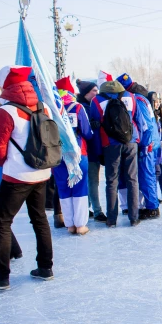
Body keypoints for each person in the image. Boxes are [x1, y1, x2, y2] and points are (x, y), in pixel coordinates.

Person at [0, 66, 56, 289]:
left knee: (0, 221)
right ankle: (46, 267)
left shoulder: (4, 112)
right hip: (42, 172)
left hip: (17, 176)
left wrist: (5, 163)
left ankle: (0, 276)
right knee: (39, 219)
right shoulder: (44, 107)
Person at [90, 79, 141, 227]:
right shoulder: (131, 97)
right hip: (130, 141)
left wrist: (99, 152)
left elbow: (96, 126)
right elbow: (136, 119)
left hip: (110, 144)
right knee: (132, 179)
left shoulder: (97, 101)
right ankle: (134, 217)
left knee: (112, 181)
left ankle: (112, 219)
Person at [116, 73, 160, 220]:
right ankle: (151, 205)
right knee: (148, 175)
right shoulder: (142, 98)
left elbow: (145, 125)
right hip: (150, 141)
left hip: (147, 143)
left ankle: (152, 207)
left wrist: (146, 143)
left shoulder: (138, 100)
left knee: (146, 175)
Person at [53, 77, 92, 235]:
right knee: (80, 187)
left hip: (58, 155)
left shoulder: (51, 108)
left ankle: (69, 225)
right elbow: (87, 132)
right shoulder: (77, 108)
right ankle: (80, 225)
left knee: (63, 188)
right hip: (78, 153)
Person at [0, 103, 22, 264]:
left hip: (1, 182)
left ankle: (7, 253)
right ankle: (14, 250)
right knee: (0, 219)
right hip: (4, 181)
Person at [76, 78, 106, 222]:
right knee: (93, 181)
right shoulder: (82, 108)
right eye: (94, 90)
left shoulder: (89, 106)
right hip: (89, 150)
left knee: (91, 181)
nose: (96, 93)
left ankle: (87, 207)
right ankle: (97, 210)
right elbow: (85, 131)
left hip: (93, 149)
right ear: (86, 92)